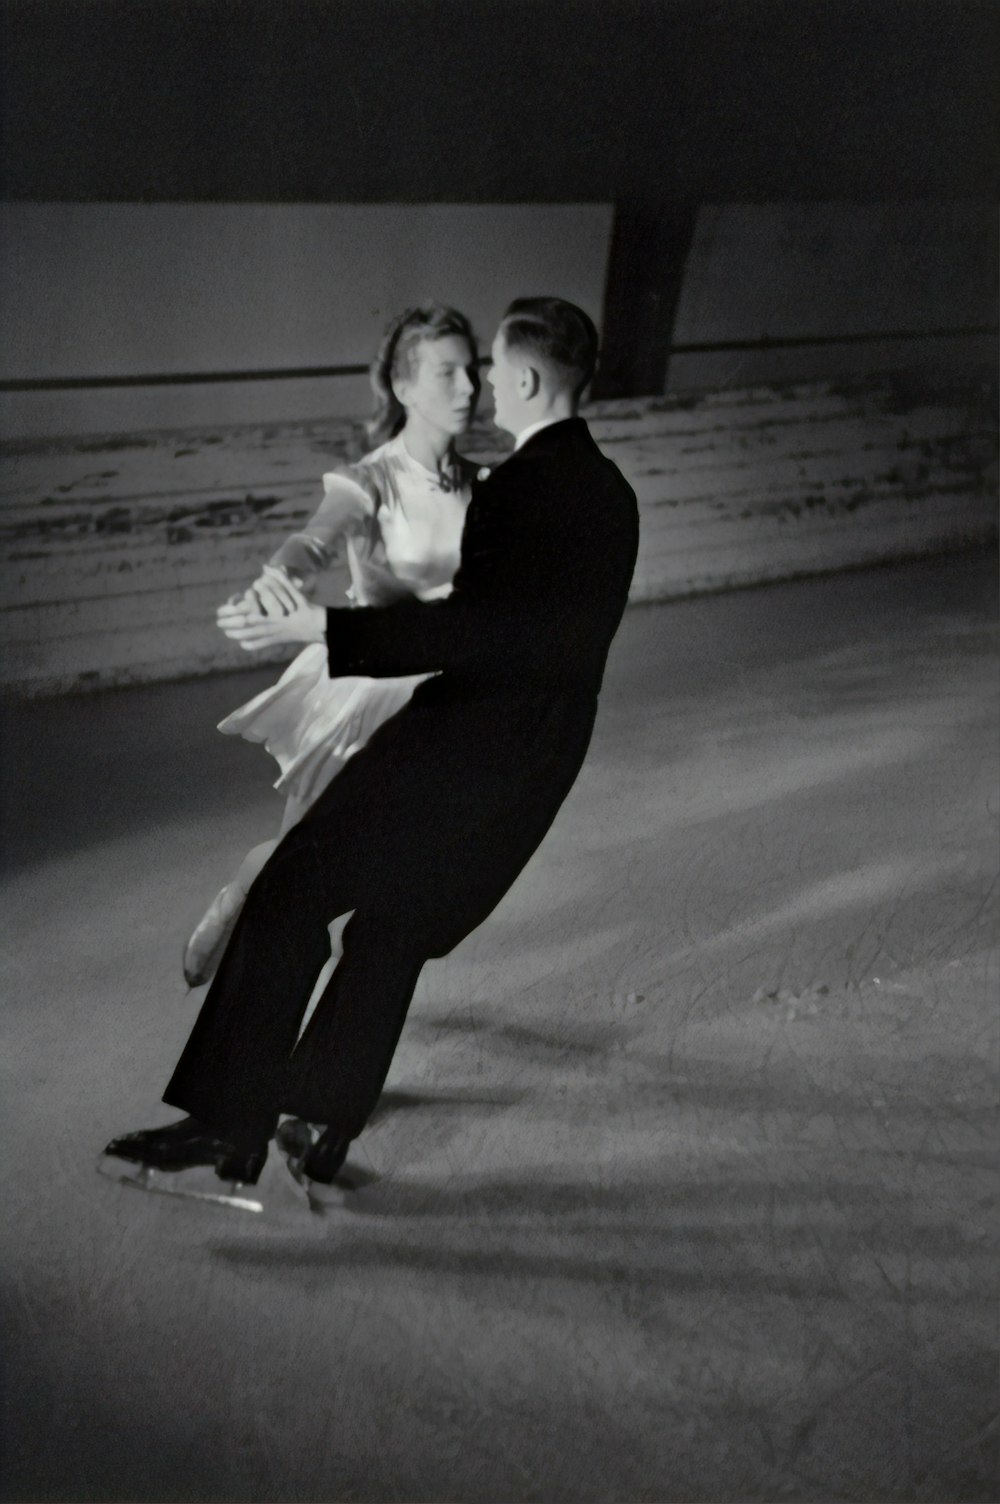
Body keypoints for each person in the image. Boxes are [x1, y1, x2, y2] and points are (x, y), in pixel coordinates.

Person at [103, 297, 639, 1206]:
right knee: (392, 924)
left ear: (528, 380)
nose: (478, 384)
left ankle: (227, 1124)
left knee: (291, 889)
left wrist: (319, 625)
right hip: (540, 755)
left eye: (490, 368)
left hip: (458, 736)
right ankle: (316, 1114)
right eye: (452, 370)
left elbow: (476, 634)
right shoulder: (613, 493)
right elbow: (541, 639)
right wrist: (296, 578)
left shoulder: (514, 487)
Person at [183, 303, 484, 986]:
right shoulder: (371, 479)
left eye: (475, 370)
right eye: (449, 373)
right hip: (372, 684)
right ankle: (240, 896)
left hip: (448, 691)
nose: (470, 387)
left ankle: (358, 997)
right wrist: (272, 586)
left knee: (409, 859)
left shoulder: (482, 486)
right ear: (405, 387)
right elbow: (309, 546)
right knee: (305, 851)